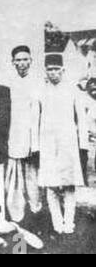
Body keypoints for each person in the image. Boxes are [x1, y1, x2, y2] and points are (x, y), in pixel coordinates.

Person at [38, 54, 89, 235]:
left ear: (63, 70)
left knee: (69, 185)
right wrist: (37, 146)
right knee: (51, 185)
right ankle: (57, 223)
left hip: (68, 144)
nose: (53, 73)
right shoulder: (41, 91)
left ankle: (69, 223)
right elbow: (37, 118)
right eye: (49, 69)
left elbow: (81, 119)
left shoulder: (73, 90)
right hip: (47, 144)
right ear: (45, 71)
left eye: (56, 69)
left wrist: (83, 145)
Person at [4, 46, 42, 223]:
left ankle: (37, 215)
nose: (22, 63)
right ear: (13, 62)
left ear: (31, 61)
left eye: (25, 59)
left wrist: (36, 143)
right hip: (14, 139)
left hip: (33, 139)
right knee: (15, 182)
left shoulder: (38, 82)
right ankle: (17, 219)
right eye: (18, 60)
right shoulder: (8, 84)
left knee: (33, 181)